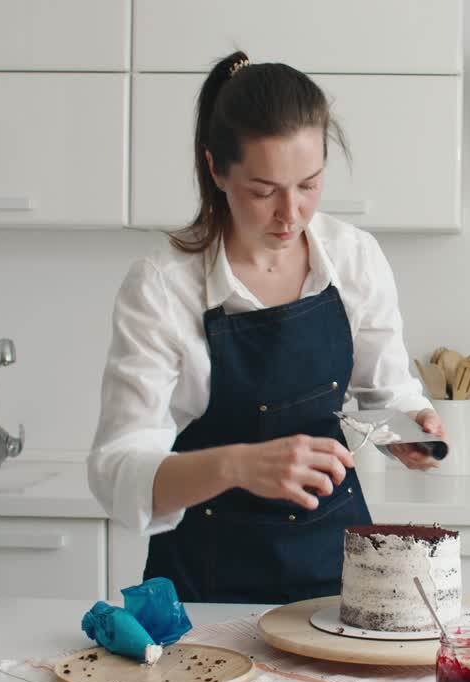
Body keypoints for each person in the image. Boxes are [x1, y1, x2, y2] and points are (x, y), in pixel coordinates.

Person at [87, 51, 443, 604]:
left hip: (337, 573)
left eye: (310, 184)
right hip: (205, 584)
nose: (291, 214)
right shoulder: (163, 284)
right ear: (215, 170)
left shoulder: (354, 258)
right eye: (262, 191)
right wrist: (238, 464)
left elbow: (382, 395)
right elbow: (116, 472)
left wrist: (410, 427)